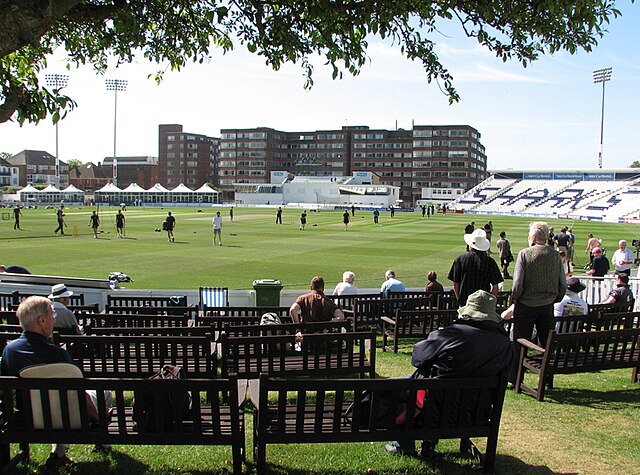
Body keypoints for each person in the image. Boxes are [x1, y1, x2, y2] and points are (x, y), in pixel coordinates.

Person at [384, 290, 513, 456]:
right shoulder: (504, 343)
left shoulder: (451, 334)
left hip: (433, 414)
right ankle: (427, 440)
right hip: (477, 415)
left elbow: (417, 358)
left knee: (402, 387)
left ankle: (406, 444)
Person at [1, 296, 111, 468]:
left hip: (29, 419)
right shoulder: (58, 354)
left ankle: (58, 454)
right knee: (104, 393)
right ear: (41, 320)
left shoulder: (9, 352)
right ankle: (102, 443)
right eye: (52, 315)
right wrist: (99, 417)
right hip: (67, 419)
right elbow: (80, 394)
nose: (54, 319)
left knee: (57, 402)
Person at [510, 222, 565, 385]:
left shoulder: (525, 254)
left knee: (519, 343)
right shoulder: (555, 255)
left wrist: (515, 298)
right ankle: (547, 379)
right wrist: (556, 298)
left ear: (532, 237)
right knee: (547, 343)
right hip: (547, 305)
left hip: (526, 305)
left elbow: (518, 283)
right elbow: (563, 283)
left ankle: (515, 378)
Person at [448, 229, 503, 307]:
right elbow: (495, 286)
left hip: (465, 302)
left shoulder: (460, 259)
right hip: (483, 303)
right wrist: (490, 302)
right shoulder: (490, 262)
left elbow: (456, 283)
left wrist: (460, 300)